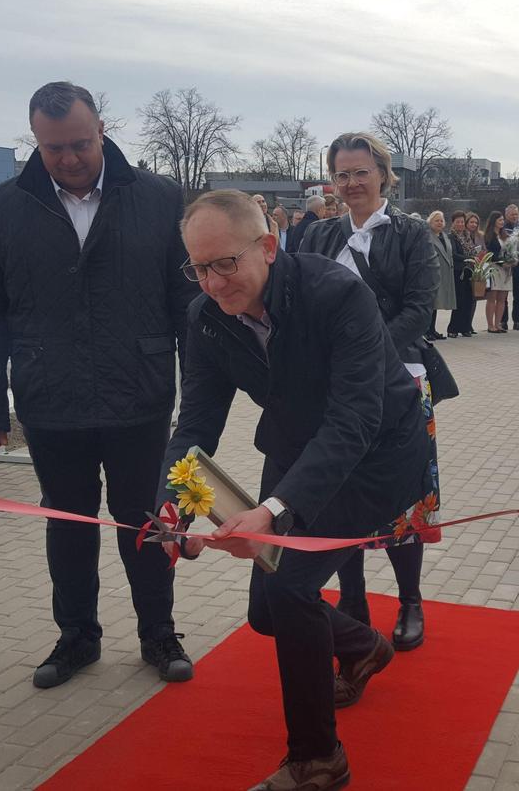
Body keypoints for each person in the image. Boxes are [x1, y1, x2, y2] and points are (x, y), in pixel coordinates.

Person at [166, 190, 435, 790]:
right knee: (267, 611)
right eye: (198, 268)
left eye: (224, 264)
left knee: (288, 589)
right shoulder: (205, 316)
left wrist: (274, 509)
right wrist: (174, 506)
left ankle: (319, 760)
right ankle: (363, 646)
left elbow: (355, 419)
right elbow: (197, 424)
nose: (211, 284)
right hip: (294, 447)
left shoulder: (336, 293)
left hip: (376, 455)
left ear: (267, 246)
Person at [0, 81, 198, 689]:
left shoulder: (158, 197)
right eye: (52, 147)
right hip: (50, 397)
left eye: (79, 144)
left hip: (138, 392)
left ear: (102, 130)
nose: (68, 158)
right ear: (34, 141)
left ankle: (158, 632)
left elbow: (185, 301)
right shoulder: (4, 208)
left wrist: (200, 395)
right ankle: (77, 637)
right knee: (67, 522)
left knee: (143, 521)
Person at [299, 132, 440, 652]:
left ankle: (410, 600)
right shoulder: (317, 235)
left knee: (404, 499)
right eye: (342, 174)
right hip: (334, 389)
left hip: (399, 380)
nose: (351, 183)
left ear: (382, 173)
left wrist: (366, 358)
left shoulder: (410, 233)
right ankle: (352, 599)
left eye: (361, 172)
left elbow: (420, 310)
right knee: (339, 495)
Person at [425, 210, 457, 341]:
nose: (439, 222)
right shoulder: (427, 236)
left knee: (437, 304)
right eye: (436, 220)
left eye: (441, 220)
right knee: (431, 305)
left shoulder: (444, 236)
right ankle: (427, 331)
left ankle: (433, 329)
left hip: (444, 274)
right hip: (431, 274)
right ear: (430, 222)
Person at [447, 210, 476, 338]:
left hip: (470, 271)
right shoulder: (451, 237)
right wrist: (468, 258)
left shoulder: (468, 236)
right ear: (453, 223)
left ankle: (465, 327)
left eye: (462, 222)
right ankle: (453, 328)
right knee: (459, 300)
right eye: (457, 222)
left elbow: (473, 250)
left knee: (469, 300)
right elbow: (453, 254)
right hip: (458, 272)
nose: (460, 224)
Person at [500, 203, 519, 330]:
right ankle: (503, 320)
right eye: (512, 214)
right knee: (503, 295)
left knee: (517, 295)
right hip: (504, 265)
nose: (514, 216)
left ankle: (517, 320)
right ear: (506, 215)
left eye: (516, 214)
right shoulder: (501, 228)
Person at [483, 211, 513, 333]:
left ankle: (498, 324)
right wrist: (502, 262)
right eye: (499, 220)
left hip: (506, 270)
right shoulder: (488, 236)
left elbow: (510, 251)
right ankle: (490, 325)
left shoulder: (505, 235)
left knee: (502, 298)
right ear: (493, 221)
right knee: (492, 297)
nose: (502, 222)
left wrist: (512, 260)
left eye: (502, 220)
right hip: (493, 268)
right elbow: (489, 253)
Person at [465, 211, 484, 334]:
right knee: (466, 299)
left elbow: (485, 250)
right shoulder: (463, 236)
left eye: (476, 222)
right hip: (466, 268)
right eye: (471, 222)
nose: (473, 224)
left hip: (477, 269)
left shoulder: (480, 236)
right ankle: (464, 324)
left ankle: (469, 324)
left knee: (474, 299)